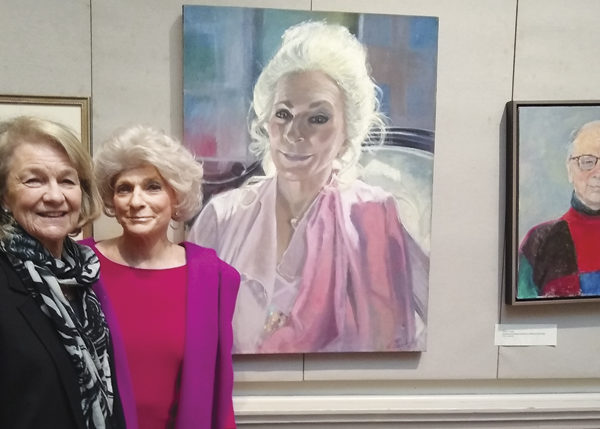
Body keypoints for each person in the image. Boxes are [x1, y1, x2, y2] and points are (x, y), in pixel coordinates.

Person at [188, 21, 429, 354]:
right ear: (266, 123)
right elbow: (192, 335)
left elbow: (408, 339)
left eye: (317, 118)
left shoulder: (373, 217)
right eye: (283, 114)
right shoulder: (222, 216)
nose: (293, 134)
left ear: (348, 132)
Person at [86, 125, 239, 429]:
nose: (136, 201)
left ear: (176, 196)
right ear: (111, 200)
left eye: (153, 186)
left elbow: (220, 390)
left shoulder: (213, 277)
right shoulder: (80, 267)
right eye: (124, 188)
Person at [0, 116, 125, 428]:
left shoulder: (84, 277)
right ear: (4, 196)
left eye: (67, 181)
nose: (55, 196)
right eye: (34, 180)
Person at [518, 120, 600, 298]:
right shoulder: (539, 242)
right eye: (587, 162)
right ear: (570, 169)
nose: (598, 173)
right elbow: (524, 313)